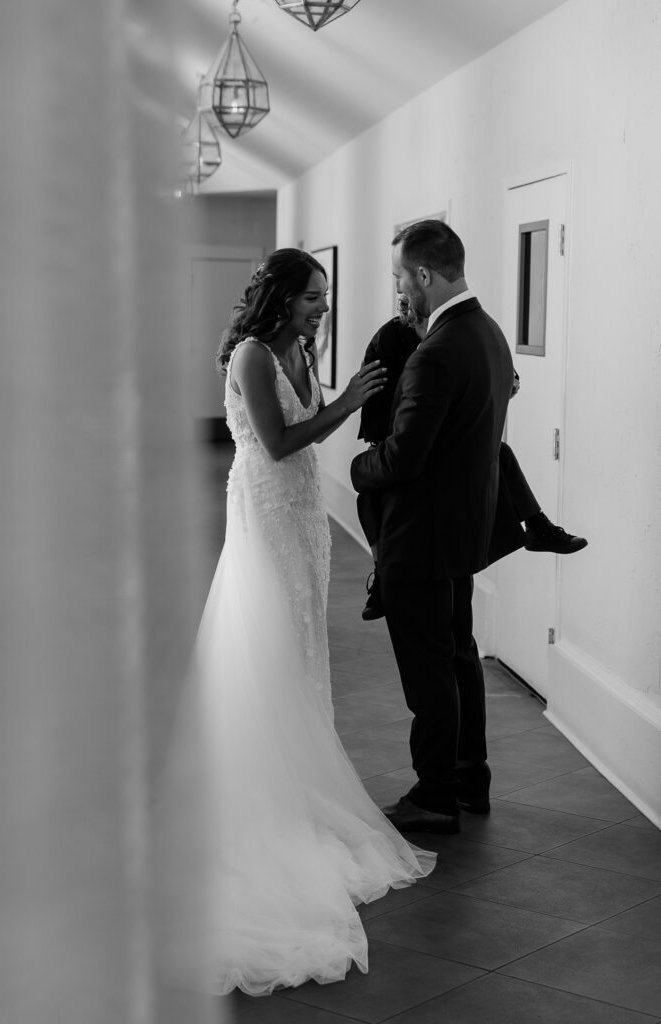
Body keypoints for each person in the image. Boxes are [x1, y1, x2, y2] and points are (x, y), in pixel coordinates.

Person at [155, 249, 436, 999]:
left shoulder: (299, 349)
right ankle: (264, 798)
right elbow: (279, 441)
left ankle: (301, 783)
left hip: (304, 519)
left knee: (305, 649)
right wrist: (344, 402)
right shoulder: (251, 353)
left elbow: (306, 430)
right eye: (312, 297)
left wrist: (339, 399)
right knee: (271, 649)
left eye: (324, 295)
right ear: (279, 297)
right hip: (266, 518)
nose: (322, 307)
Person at [350, 219, 516, 834]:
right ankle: (472, 779)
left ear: (423, 274)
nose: (398, 287)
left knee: (428, 671)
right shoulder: (490, 335)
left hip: (420, 537)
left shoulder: (437, 350)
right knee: (458, 656)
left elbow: (401, 458)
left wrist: (356, 465)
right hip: (462, 531)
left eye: (400, 275)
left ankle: (435, 793)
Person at [358, 296, 587, 620]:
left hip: (443, 439)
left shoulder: (458, 335)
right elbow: (382, 406)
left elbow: (500, 379)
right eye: (401, 300)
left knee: (497, 453)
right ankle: (383, 575)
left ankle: (537, 526)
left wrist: (504, 382)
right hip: (399, 437)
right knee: (369, 493)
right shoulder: (390, 339)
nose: (407, 308)